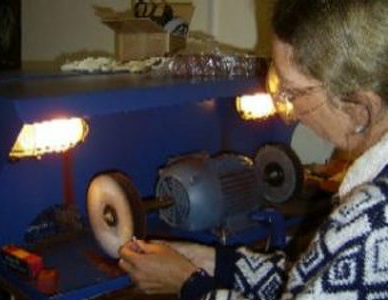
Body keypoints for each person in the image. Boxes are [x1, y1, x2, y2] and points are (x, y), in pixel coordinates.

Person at [119, 0, 388, 298]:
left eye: (295, 93)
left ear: (361, 109)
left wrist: (189, 285)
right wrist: (217, 264)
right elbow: (309, 283)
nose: (291, 111)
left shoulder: (375, 224)